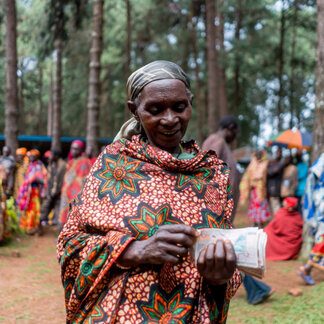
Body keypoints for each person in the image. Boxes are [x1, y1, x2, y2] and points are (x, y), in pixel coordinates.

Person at [57, 61, 243, 323]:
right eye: (154, 110)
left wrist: (220, 276)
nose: (170, 120)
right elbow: (69, 245)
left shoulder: (210, 172)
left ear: (190, 102)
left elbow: (227, 254)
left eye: (179, 107)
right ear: (134, 110)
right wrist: (134, 250)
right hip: (119, 314)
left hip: (191, 314)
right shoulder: (113, 164)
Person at [202, 116, 240, 221]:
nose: (234, 137)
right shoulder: (217, 140)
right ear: (230, 128)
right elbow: (208, 168)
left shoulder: (221, 142)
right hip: (217, 206)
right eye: (235, 133)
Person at [297, 153, 324, 285]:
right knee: (322, 239)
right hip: (322, 205)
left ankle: (307, 268)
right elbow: (312, 178)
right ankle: (307, 268)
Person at [59, 140, 91, 230]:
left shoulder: (85, 161)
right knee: (64, 213)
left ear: (81, 150)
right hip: (66, 193)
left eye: (76, 149)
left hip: (77, 194)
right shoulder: (70, 162)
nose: (74, 151)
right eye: (72, 148)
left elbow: (86, 177)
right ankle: (62, 234)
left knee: (74, 214)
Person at [16, 149, 47, 234]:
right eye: (30, 156)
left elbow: (42, 179)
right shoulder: (30, 165)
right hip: (28, 191)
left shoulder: (39, 165)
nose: (31, 158)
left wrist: (33, 179)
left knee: (35, 208)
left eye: (33, 156)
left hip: (35, 191)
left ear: (37, 157)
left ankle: (35, 227)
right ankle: (28, 226)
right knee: (28, 207)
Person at [240, 149, 271, 228]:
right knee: (254, 205)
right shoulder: (252, 163)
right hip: (253, 190)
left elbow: (260, 174)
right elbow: (248, 174)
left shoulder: (264, 163)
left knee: (260, 205)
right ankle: (256, 223)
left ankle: (261, 223)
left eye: (260, 155)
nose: (258, 156)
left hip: (260, 190)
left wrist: (254, 177)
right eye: (257, 155)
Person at [39, 149, 67, 229]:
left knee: (59, 213)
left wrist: (54, 193)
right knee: (44, 209)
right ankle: (39, 228)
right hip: (51, 194)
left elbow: (60, 182)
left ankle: (61, 233)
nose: (49, 157)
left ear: (56, 156)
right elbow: (49, 179)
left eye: (51, 155)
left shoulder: (62, 165)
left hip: (59, 194)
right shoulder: (51, 164)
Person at [267, 147, 286, 217]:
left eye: (279, 153)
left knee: (276, 209)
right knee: (273, 209)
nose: (278, 154)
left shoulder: (280, 164)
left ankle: (278, 224)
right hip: (271, 189)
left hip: (275, 189)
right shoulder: (274, 163)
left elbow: (270, 172)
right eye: (277, 152)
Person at [295, 149, 308, 213]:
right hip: (296, 190)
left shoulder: (304, 166)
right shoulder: (297, 165)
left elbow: (300, 176)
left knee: (301, 207)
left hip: (302, 189)